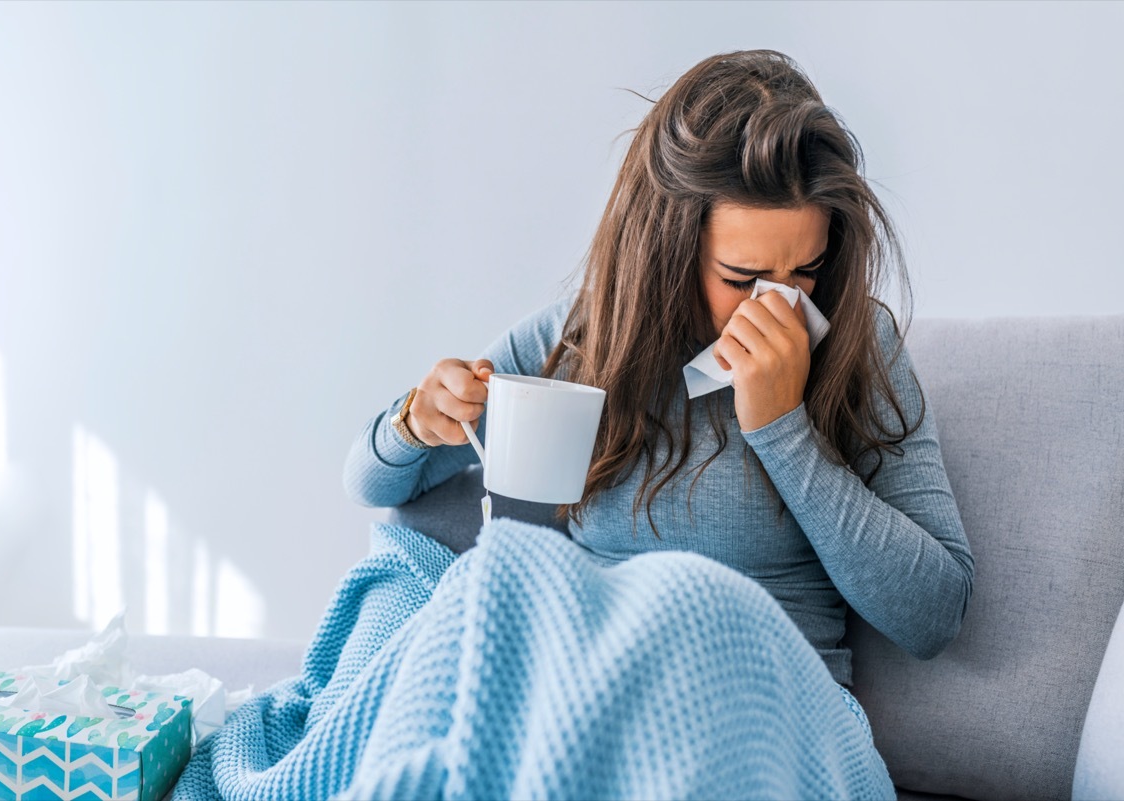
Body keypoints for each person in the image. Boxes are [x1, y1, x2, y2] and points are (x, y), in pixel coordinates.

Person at [344, 48, 972, 702]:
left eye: (805, 270)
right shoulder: (584, 340)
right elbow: (372, 484)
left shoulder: (855, 343)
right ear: (668, 254)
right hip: (591, 689)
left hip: (762, 704)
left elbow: (934, 615)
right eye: (741, 278)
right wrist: (413, 422)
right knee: (407, 599)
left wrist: (785, 430)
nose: (780, 306)